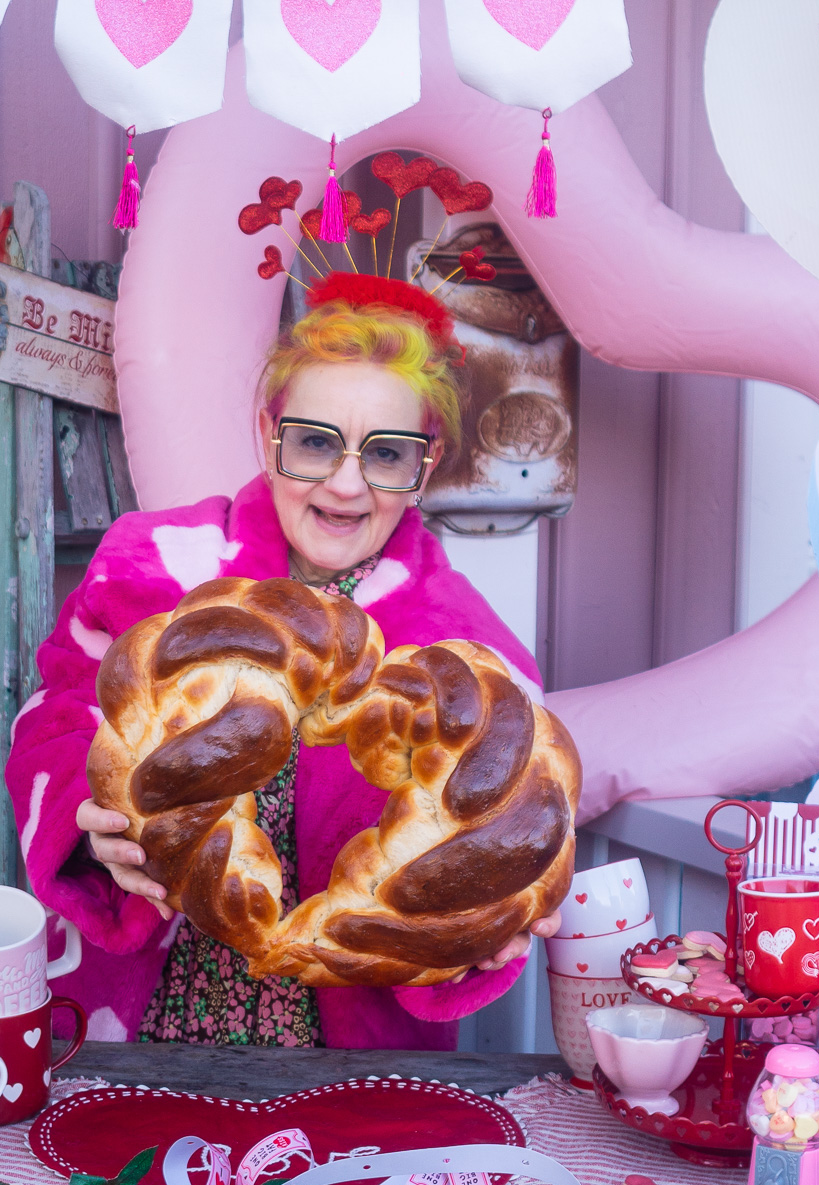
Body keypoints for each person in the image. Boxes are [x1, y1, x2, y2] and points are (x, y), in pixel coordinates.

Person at [5, 272, 560, 1049]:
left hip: (345, 1048)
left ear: (424, 467)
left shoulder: (473, 662)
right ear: (270, 436)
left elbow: (489, 843)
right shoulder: (151, 567)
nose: (344, 483)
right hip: (141, 1019)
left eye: (386, 454)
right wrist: (83, 819)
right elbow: (56, 712)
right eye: (313, 442)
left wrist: (482, 921)